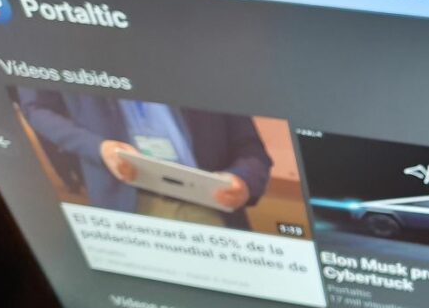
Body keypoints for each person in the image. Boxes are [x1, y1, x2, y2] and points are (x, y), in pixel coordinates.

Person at [18, 88, 272, 230]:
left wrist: (243, 180)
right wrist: (97, 148)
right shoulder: (64, 28)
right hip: (126, 202)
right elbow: (37, 108)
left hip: (210, 203)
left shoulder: (203, 48)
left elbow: (250, 147)